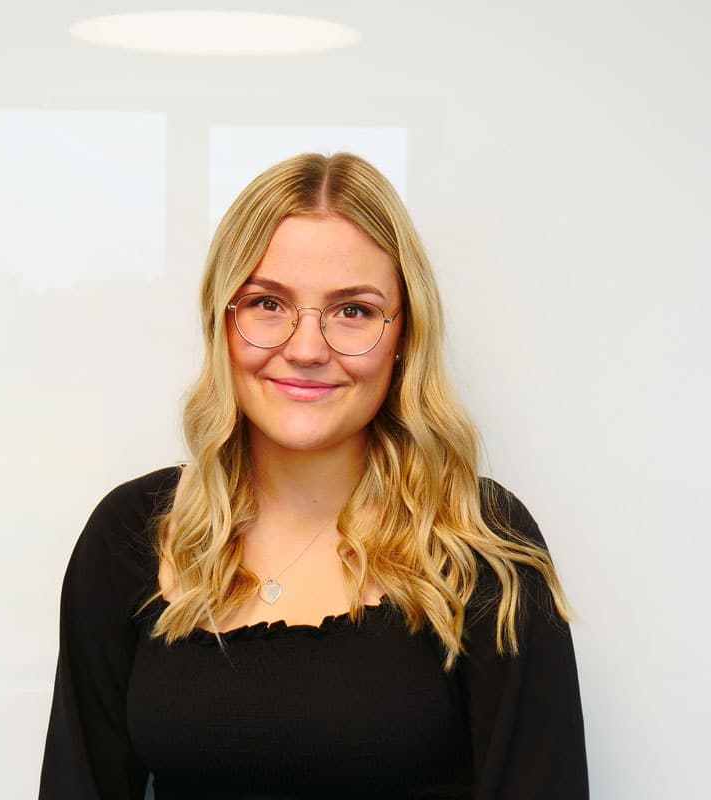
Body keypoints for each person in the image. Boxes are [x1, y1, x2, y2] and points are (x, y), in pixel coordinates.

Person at [39, 152, 589, 799]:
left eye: (353, 311)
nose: (305, 349)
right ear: (222, 323)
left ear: (404, 335)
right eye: (267, 303)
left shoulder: (479, 540)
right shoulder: (131, 533)